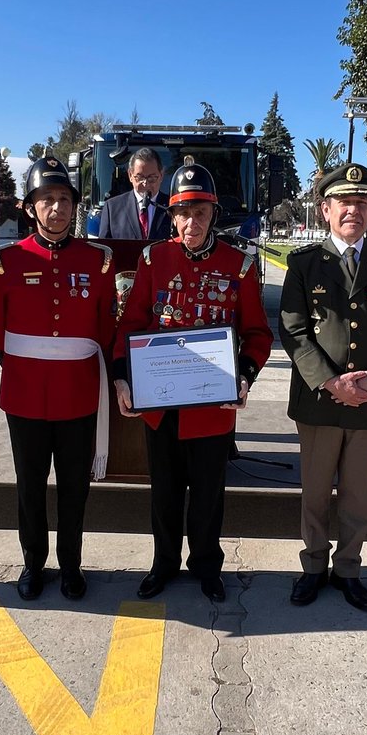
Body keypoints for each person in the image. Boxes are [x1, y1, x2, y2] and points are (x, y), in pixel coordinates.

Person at [113, 163, 272, 602]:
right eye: (183, 213)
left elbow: (258, 334)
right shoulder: (153, 259)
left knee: (207, 496)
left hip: (211, 408)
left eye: (200, 212)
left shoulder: (238, 266)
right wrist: (123, 377)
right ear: (173, 215)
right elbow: (131, 324)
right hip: (161, 405)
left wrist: (244, 377)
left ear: (213, 214)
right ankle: (163, 563)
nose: (191, 222)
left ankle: (206, 566)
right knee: (163, 494)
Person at [279, 163, 367, 613]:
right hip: (320, 402)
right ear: (325, 209)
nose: (352, 210)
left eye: (361, 203)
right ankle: (313, 567)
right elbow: (294, 331)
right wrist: (331, 382)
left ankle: (350, 570)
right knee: (316, 493)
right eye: (343, 202)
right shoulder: (303, 264)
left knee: (358, 496)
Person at [0, 156, 117, 601]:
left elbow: (105, 327)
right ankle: (32, 564)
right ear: (30, 207)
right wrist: (30, 365)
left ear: (74, 206)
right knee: (30, 486)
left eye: (63, 200)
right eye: (46, 200)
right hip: (24, 395)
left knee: (74, 488)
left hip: (78, 395)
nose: (56, 209)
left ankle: (72, 565)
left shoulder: (98, 261)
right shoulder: (6, 261)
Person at [97, 147, 171, 241]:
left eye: (152, 178)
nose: (145, 183)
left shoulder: (172, 208)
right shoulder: (112, 208)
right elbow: (104, 249)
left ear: (161, 176)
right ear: (130, 175)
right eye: (140, 177)